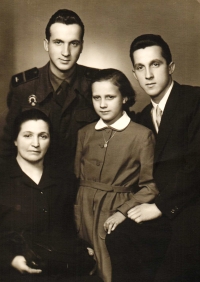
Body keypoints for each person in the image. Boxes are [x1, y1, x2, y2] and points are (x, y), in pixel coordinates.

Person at [106, 34, 200, 282]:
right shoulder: (142, 118)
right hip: (162, 212)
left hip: (192, 208)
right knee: (118, 237)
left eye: (155, 64)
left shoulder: (195, 100)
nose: (148, 75)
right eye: (140, 67)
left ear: (170, 67)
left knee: (169, 273)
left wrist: (159, 206)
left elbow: (196, 167)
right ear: (134, 75)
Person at [74, 68, 159, 282]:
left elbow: (151, 186)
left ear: (125, 98)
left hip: (112, 212)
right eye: (97, 98)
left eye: (110, 97)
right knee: (82, 268)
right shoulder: (84, 133)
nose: (102, 104)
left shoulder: (142, 135)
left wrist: (122, 212)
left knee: (111, 272)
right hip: (82, 210)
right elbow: (75, 177)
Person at [0, 109, 102, 282]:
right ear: (15, 140)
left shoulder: (64, 179)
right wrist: (11, 259)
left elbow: (69, 225)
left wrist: (83, 246)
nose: (35, 144)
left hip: (61, 266)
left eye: (43, 136)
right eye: (27, 135)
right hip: (15, 270)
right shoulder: (3, 178)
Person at [0, 9, 99, 179]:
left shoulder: (98, 84)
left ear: (81, 46)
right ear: (46, 44)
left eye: (73, 43)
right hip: (37, 185)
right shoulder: (24, 87)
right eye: (58, 42)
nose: (65, 52)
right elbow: (7, 145)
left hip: (84, 183)